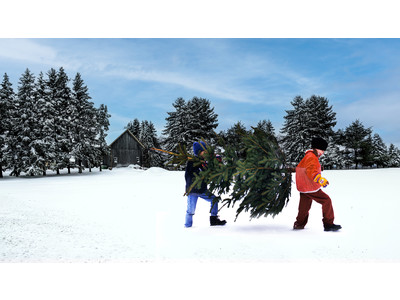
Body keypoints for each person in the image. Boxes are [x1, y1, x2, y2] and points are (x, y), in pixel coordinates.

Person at [293, 137, 342, 232]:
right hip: (309, 186)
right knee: (326, 200)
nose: (323, 152)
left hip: (303, 187)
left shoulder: (308, 156)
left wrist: (320, 179)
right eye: (322, 149)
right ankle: (328, 224)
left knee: (304, 207)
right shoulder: (312, 157)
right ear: (316, 148)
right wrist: (319, 179)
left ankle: (299, 224)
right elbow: (311, 171)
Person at [184, 141, 227, 228]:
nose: (206, 153)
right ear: (199, 152)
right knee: (190, 211)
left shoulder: (204, 162)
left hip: (203, 189)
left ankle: (214, 219)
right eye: (204, 151)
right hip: (193, 190)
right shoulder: (192, 162)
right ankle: (187, 226)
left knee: (214, 200)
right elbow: (189, 175)